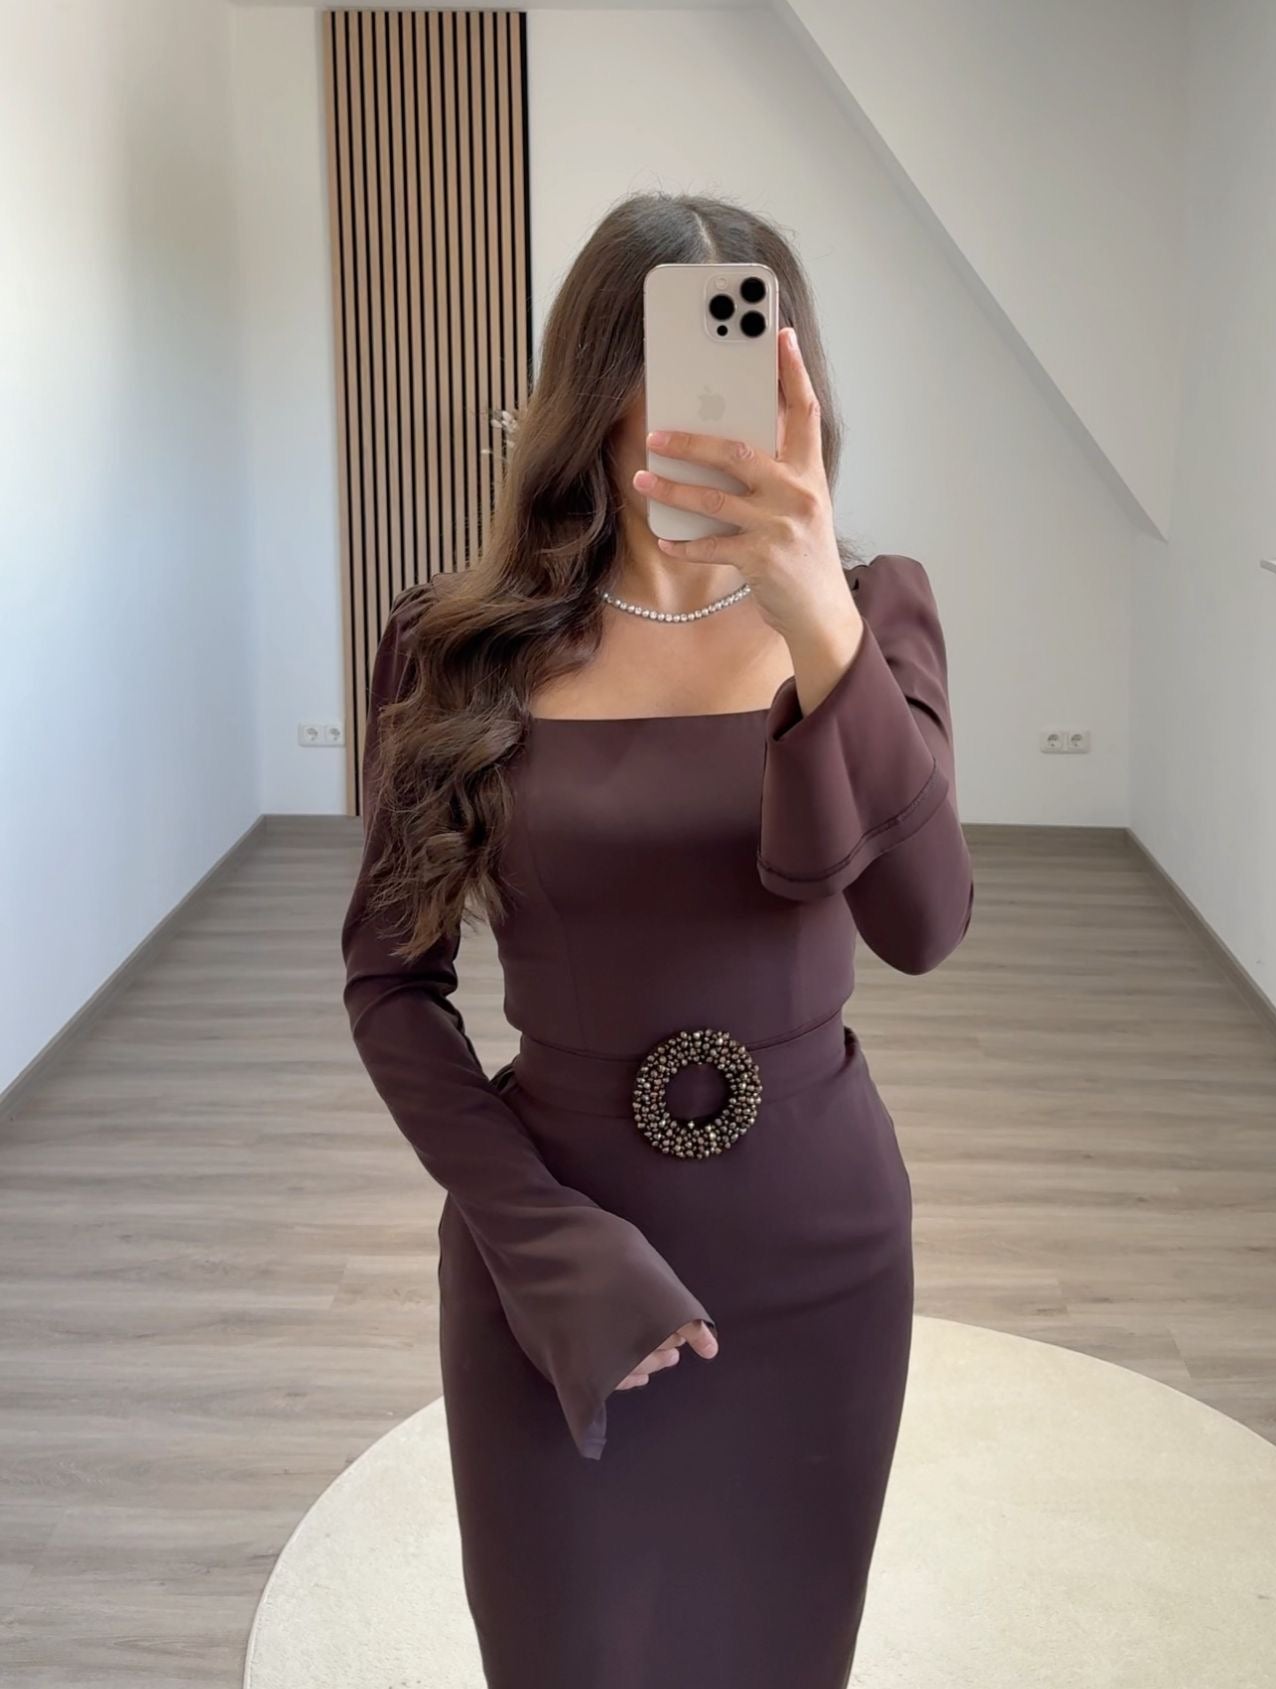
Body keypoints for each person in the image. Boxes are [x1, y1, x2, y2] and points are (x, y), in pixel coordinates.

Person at [340, 190, 974, 1689]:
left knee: (779, 1650)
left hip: (817, 1244)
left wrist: (814, 625)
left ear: (794, 387)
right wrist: (541, 1239)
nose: (697, 413)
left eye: (740, 363)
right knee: (563, 1650)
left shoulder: (872, 616)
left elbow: (924, 924)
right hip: (551, 1237)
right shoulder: (454, 644)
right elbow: (390, 983)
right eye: (660, 368)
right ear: (594, 394)